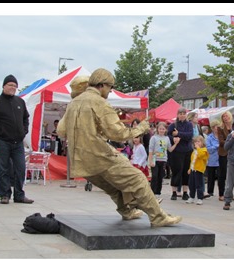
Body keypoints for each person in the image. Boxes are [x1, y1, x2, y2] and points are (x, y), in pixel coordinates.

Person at [57, 70, 180, 227]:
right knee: (138, 179)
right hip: (99, 155)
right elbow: (118, 133)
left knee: (114, 187)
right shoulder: (99, 102)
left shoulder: (73, 103)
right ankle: (158, 217)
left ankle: (127, 211)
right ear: (102, 85)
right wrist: (141, 128)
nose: (110, 91)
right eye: (110, 87)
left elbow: (61, 130)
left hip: (79, 159)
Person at [0, 74, 34, 205]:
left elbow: (25, 118)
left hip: (18, 142)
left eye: (15, 86)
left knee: (20, 168)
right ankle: (5, 194)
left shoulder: (20, 102)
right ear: (4, 86)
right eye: (10, 85)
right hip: (2, 141)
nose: (13, 88)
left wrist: (24, 131)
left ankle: (19, 195)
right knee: (3, 169)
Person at [166, 108, 194, 201]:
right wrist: (173, 139)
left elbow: (189, 135)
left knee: (186, 171)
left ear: (186, 115)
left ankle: (185, 192)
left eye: (183, 113)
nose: (182, 115)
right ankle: (174, 192)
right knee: (176, 171)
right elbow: (168, 135)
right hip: (176, 151)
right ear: (177, 115)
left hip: (187, 151)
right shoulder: (173, 125)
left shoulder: (189, 124)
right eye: (180, 113)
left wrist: (179, 134)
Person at [148, 122, 173, 198]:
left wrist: (176, 144)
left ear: (165, 130)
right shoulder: (154, 138)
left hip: (163, 159)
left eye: (163, 129)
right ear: (157, 129)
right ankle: (152, 191)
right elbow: (150, 150)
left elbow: (170, 149)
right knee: (154, 175)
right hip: (155, 159)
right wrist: (150, 160)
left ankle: (158, 192)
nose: (161, 130)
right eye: (160, 129)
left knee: (160, 176)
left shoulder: (167, 138)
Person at [216, 110, 233, 201]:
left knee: (232, 175)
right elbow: (221, 141)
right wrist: (231, 142)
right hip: (223, 153)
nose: (225, 118)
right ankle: (221, 193)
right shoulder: (220, 128)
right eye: (223, 116)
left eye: (226, 116)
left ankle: (230, 192)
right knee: (222, 174)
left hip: (233, 153)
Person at [187, 135, 208, 205]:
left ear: (202, 142)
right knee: (191, 184)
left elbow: (201, 155)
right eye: (195, 142)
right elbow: (192, 161)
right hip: (193, 169)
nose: (197, 143)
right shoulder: (194, 151)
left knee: (199, 185)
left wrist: (198, 148)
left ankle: (200, 198)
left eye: (198, 141)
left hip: (199, 170)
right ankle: (191, 197)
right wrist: (190, 168)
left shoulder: (204, 150)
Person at [204, 120, 221, 198]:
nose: (216, 128)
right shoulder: (209, 137)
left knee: (221, 176)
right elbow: (208, 149)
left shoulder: (221, 136)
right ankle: (210, 191)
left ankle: (221, 191)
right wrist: (217, 146)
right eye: (214, 127)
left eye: (217, 127)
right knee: (211, 176)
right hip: (211, 159)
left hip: (220, 158)